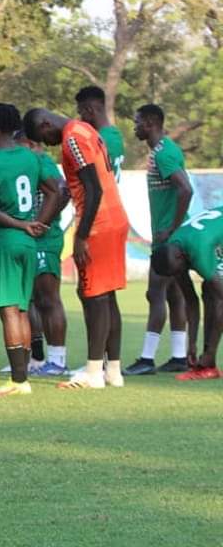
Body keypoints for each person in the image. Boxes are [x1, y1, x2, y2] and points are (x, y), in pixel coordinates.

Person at [24, 108, 130, 389]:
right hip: (115, 217)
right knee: (106, 297)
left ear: (46, 123)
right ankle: (112, 371)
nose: (48, 144)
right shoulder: (87, 129)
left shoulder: (72, 138)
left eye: (44, 138)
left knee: (92, 295)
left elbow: (93, 188)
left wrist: (81, 235)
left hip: (98, 223)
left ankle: (94, 371)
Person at [0, 103, 59, 396]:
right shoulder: (31, 157)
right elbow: (55, 190)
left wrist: (19, 225)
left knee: (9, 311)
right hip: (29, 243)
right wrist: (39, 223)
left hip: (4, 241)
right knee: (23, 310)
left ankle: (18, 380)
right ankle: (22, 376)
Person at [124, 104, 194, 375]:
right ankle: (178, 356)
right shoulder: (162, 151)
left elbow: (185, 189)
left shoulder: (163, 153)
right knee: (174, 296)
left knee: (155, 293)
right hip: (170, 237)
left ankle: (146, 359)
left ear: (152, 122)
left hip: (168, 239)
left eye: (138, 121)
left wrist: (171, 228)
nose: (135, 126)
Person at [18, 133, 71, 377]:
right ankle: (35, 359)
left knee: (48, 299)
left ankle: (58, 360)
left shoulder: (42, 161)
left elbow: (62, 190)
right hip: (27, 238)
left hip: (44, 240)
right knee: (30, 300)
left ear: (30, 144)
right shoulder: (28, 164)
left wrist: (42, 222)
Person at [151, 207, 223, 380]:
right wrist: (191, 344)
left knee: (215, 293)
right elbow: (191, 301)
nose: (178, 275)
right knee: (209, 290)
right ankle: (208, 364)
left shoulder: (199, 249)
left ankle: (209, 360)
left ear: (180, 258)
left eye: (178, 271)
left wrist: (209, 351)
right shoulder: (173, 250)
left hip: (207, 239)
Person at [76, 86, 125, 182]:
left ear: (89, 110)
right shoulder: (115, 134)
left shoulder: (98, 141)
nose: (80, 118)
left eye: (80, 112)